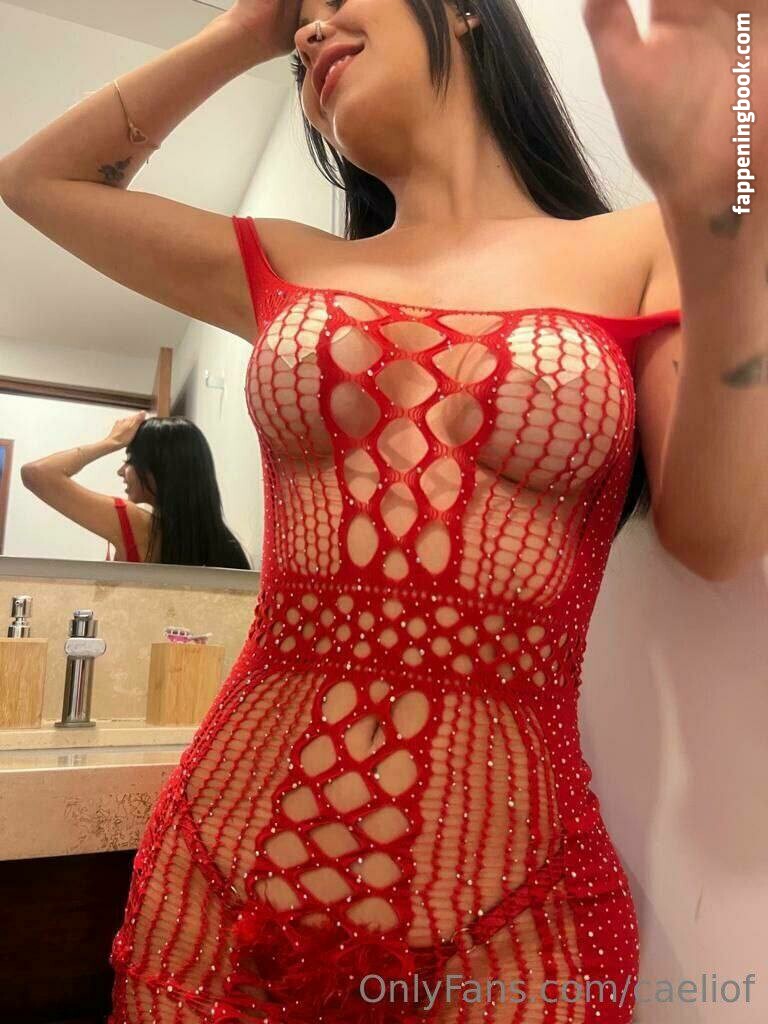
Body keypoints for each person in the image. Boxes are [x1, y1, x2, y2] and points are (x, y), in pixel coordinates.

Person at [1, 0, 765, 1020]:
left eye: (335, 1)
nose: (310, 32)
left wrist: (730, 224)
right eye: (300, 21)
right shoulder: (287, 262)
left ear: (466, 10)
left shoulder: (645, 244)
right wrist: (247, 28)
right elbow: (36, 181)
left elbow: (713, 533)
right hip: (215, 894)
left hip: (513, 923)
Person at [21, 412, 252, 568]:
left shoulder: (133, 524)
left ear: (159, 469)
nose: (121, 471)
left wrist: (111, 441)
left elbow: (37, 474)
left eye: (130, 460)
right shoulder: (228, 549)